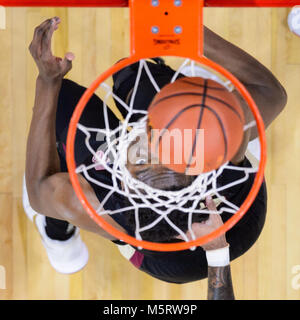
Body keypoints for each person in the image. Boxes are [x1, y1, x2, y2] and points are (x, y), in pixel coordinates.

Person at [23, 17, 287, 300]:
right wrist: (185, 30)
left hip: (168, 260)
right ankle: (188, 96)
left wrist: (48, 82)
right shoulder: (224, 147)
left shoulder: (100, 208)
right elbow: (272, 93)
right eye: (159, 139)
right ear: (199, 163)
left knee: (60, 107)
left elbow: (39, 189)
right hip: (234, 214)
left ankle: (58, 235)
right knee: (132, 73)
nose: (140, 132)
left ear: (123, 185)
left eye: (142, 148)